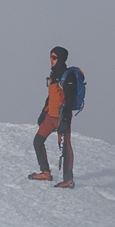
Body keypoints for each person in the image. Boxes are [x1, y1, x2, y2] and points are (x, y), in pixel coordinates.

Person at [29, 46, 76, 187]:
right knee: (38, 141)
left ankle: (68, 180)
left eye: (54, 57)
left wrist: (66, 119)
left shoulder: (68, 76)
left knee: (65, 146)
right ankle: (45, 172)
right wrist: (44, 112)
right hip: (50, 117)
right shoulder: (53, 75)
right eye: (50, 56)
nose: (51, 60)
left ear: (61, 58)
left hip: (62, 117)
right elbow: (51, 97)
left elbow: (70, 100)